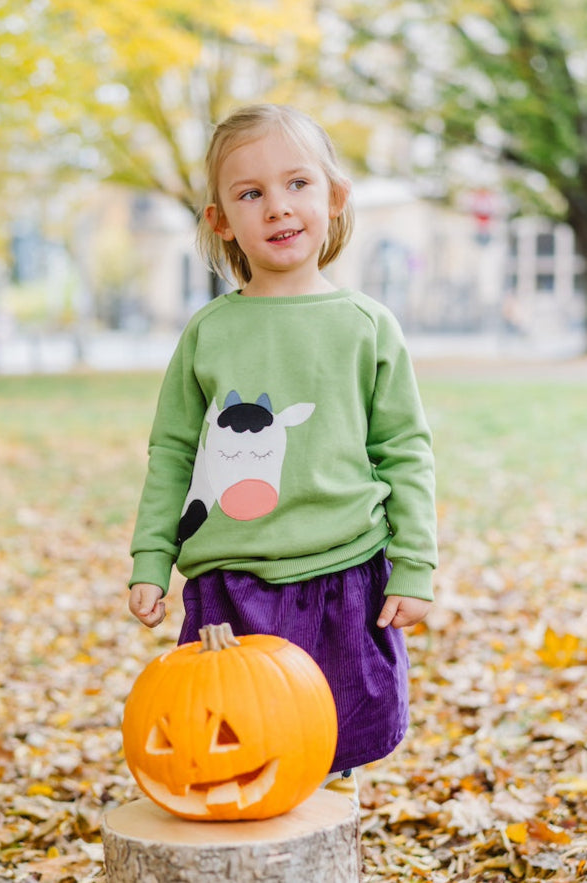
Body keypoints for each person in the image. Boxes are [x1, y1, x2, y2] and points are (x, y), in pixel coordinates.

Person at [128, 103, 437, 800]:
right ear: (220, 221)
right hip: (229, 585)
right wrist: (151, 556)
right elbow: (173, 452)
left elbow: (404, 451)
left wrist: (414, 565)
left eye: (296, 184)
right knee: (237, 743)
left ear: (333, 197)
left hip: (343, 573)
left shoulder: (365, 327)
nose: (277, 207)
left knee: (327, 755)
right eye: (250, 194)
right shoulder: (209, 332)